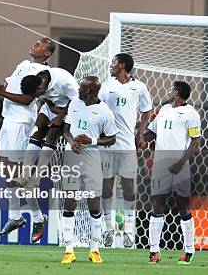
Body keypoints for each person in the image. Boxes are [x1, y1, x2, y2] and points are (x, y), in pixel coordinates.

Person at [0, 72, 48, 242]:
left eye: (39, 44)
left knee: (19, 177)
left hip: (21, 125)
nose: (35, 45)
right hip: (7, 123)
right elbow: (2, 87)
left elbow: (27, 99)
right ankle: (16, 216)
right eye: (36, 42)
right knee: (8, 174)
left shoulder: (37, 72)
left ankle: (36, 218)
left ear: (47, 52)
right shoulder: (22, 66)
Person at [98, 53, 153, 248]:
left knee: (129, 189)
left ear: (122, 65)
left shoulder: (139, 87)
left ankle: (128, 231)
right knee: (106, 188)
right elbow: (97, 109)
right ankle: (107, 230)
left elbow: (147, 110)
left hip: (127, 145)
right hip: (107, 145)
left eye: (113, 62)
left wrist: (141, 132)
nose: (110, 65)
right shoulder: (106, 86)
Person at [60, 76, 117, 264]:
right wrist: (71, 141)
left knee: (94, 203)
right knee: (70, 201)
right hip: (71, 156)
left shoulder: (105, 112)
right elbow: (66, 129)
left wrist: (91, 141)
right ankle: (69, 249)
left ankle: (94, 249)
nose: (77, 89)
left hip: (92, 159)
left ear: (88, 91)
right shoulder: (74, 103)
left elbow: (112, 139)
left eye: (81, 87)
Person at [144, 81, 200, 264]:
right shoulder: (165, 110)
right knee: (157, 205)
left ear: (176, 92)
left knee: (182, 206)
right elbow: (151, 133)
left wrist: (181, 162)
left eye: (171, 90)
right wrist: (141, 139)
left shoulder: (191, 114)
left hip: (180, 166)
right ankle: (154, 251)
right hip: (160, 166)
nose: (168, 92)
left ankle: (189, 251)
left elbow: (194, 142)